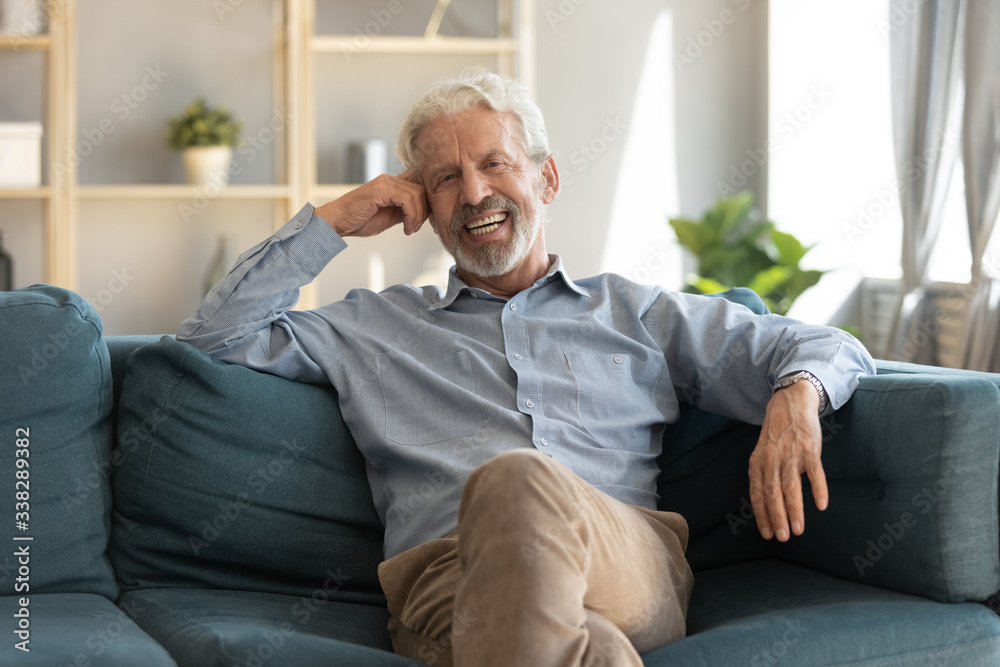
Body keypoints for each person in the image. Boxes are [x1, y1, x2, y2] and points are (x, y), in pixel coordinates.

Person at [177, 70, 875, 666]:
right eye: (445, 178)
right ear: (422, 203)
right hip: (449, 579)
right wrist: (333, 220)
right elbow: (210, 339)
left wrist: (795, 396)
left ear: (546, 177)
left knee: (517, 480)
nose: (475, 193)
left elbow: (828, 346)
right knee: (593, 649)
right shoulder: (372, 325)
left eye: (495, 164)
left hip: (624, 562)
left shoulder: (636, 312)